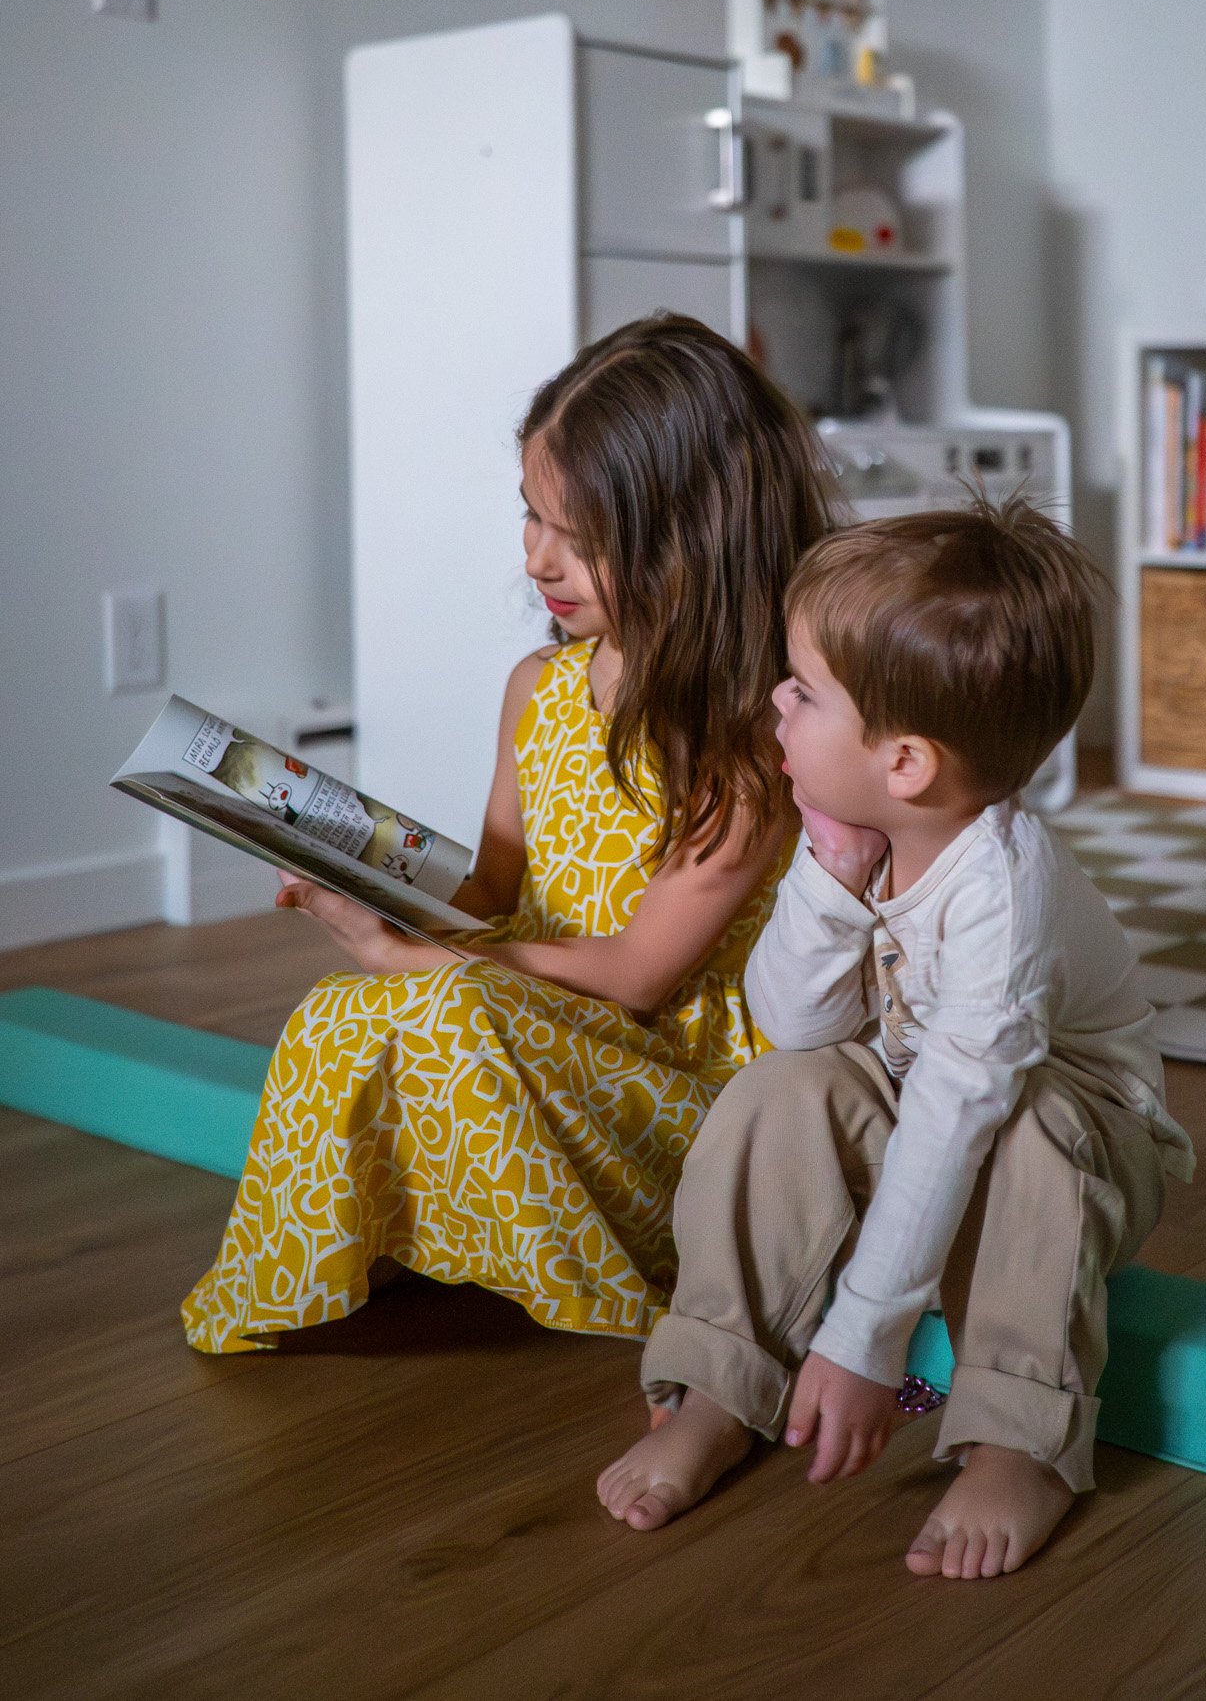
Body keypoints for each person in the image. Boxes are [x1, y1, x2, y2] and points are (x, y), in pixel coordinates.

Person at [182, 315, 835, 1353]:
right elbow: (490, 889)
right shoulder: (538, 687)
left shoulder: (751, 738)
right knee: (340, 1013)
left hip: (681, 1094)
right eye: (529, 517)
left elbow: (635, 976)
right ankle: (369, 1250)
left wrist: (431, 956)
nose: (538, 556)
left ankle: (588, 1266)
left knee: (449, 1005)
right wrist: (365, 883)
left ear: (691, 536)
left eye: (580, 536)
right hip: (530, 1009)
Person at [598, 498, 1194, 1577]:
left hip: (1082, 1139)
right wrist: (825, 877)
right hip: (928, 1096)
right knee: (783, 1086)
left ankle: (1021, 1440)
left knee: (1028, 1123)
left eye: (803, 690)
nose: (774, 701)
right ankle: (720, 1375)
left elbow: (961, 1109)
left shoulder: (1000, 886)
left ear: (905, 761)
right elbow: (796, 1022)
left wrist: (864, 1335)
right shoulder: (866, 826)